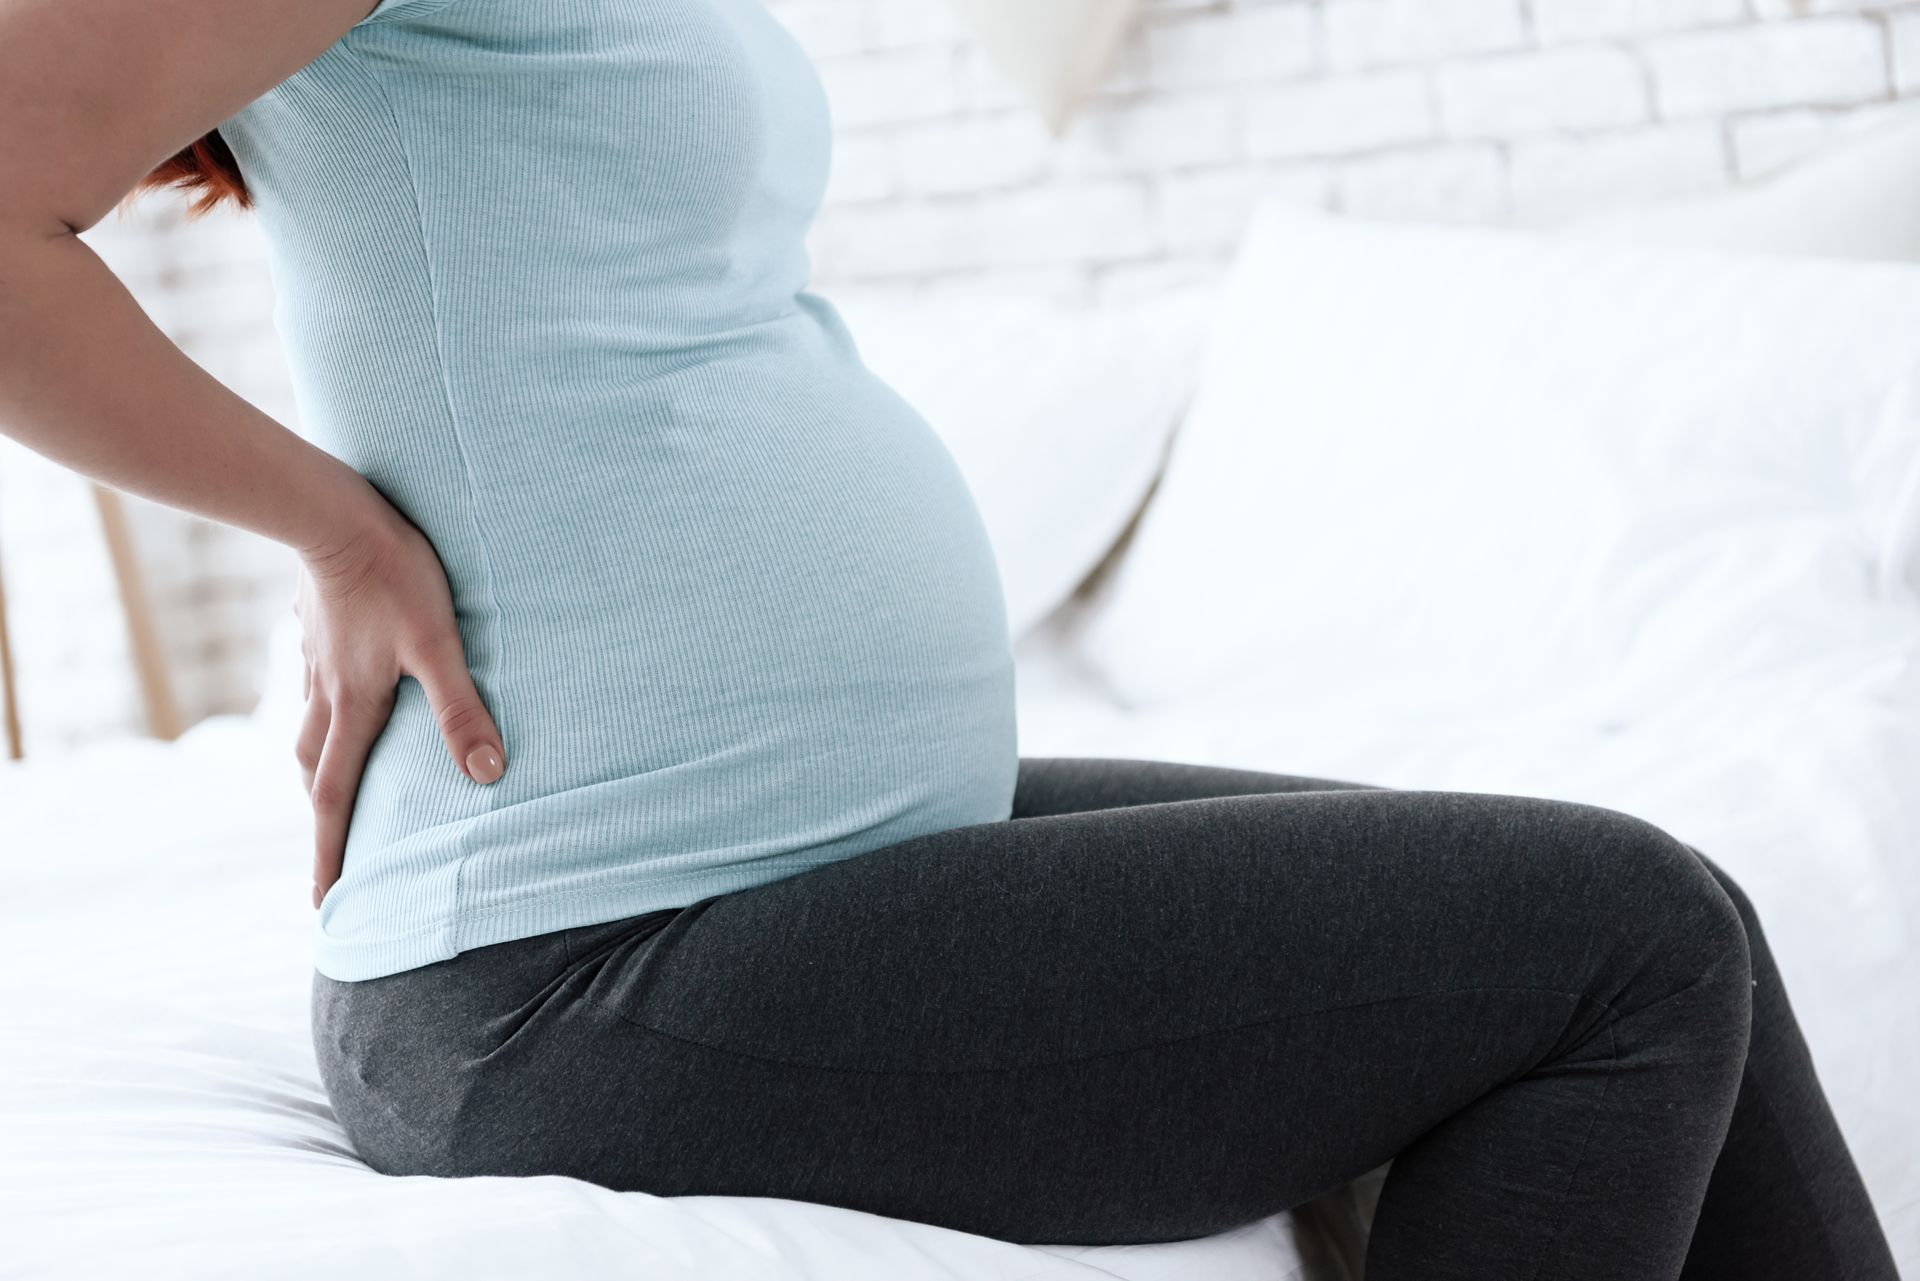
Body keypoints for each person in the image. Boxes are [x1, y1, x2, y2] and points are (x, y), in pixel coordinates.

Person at [0, 1, 1900, 1277]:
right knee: (1623, 942)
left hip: (768, 862)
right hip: (568, 966)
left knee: (1694, 924)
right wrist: (333, 527)